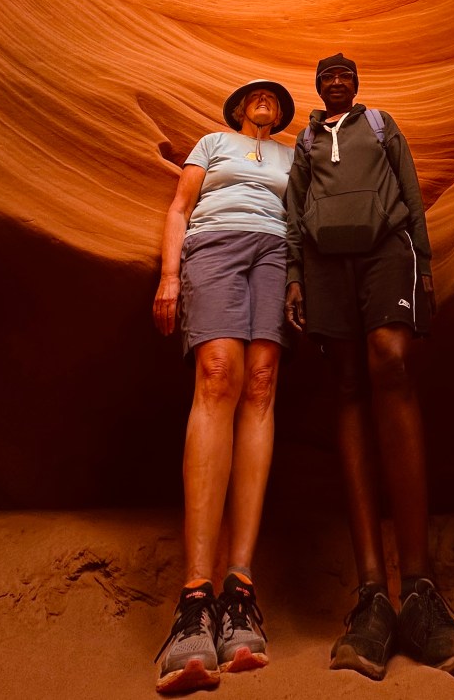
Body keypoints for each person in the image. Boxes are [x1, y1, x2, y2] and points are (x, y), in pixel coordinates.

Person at [284, 54, 454, 681]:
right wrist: (294, 276)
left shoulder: (380, 125)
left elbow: (411, 190)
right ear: (319, 86)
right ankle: (372, 597)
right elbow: (293, 210)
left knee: (391, 362)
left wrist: (423, 263)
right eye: (327, 77)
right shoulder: (307, 139)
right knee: (347, 385)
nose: (336, 83)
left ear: (356, 83)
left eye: (345, 75)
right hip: (325, 260)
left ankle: (420, 590)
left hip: (386, 250)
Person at [152, 77, 296, 695]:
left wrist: (300, 280)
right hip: (214, 244)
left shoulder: (292, 154)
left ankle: (239, 591)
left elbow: (302, 217)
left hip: (275, 254)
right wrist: (169, 275)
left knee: (261, 384)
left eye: (274, 97)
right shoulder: (212, 144)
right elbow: (179, 207)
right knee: (217, 376)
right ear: (237, 108)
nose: (264, 100)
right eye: (255, 95)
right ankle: (194, 597)